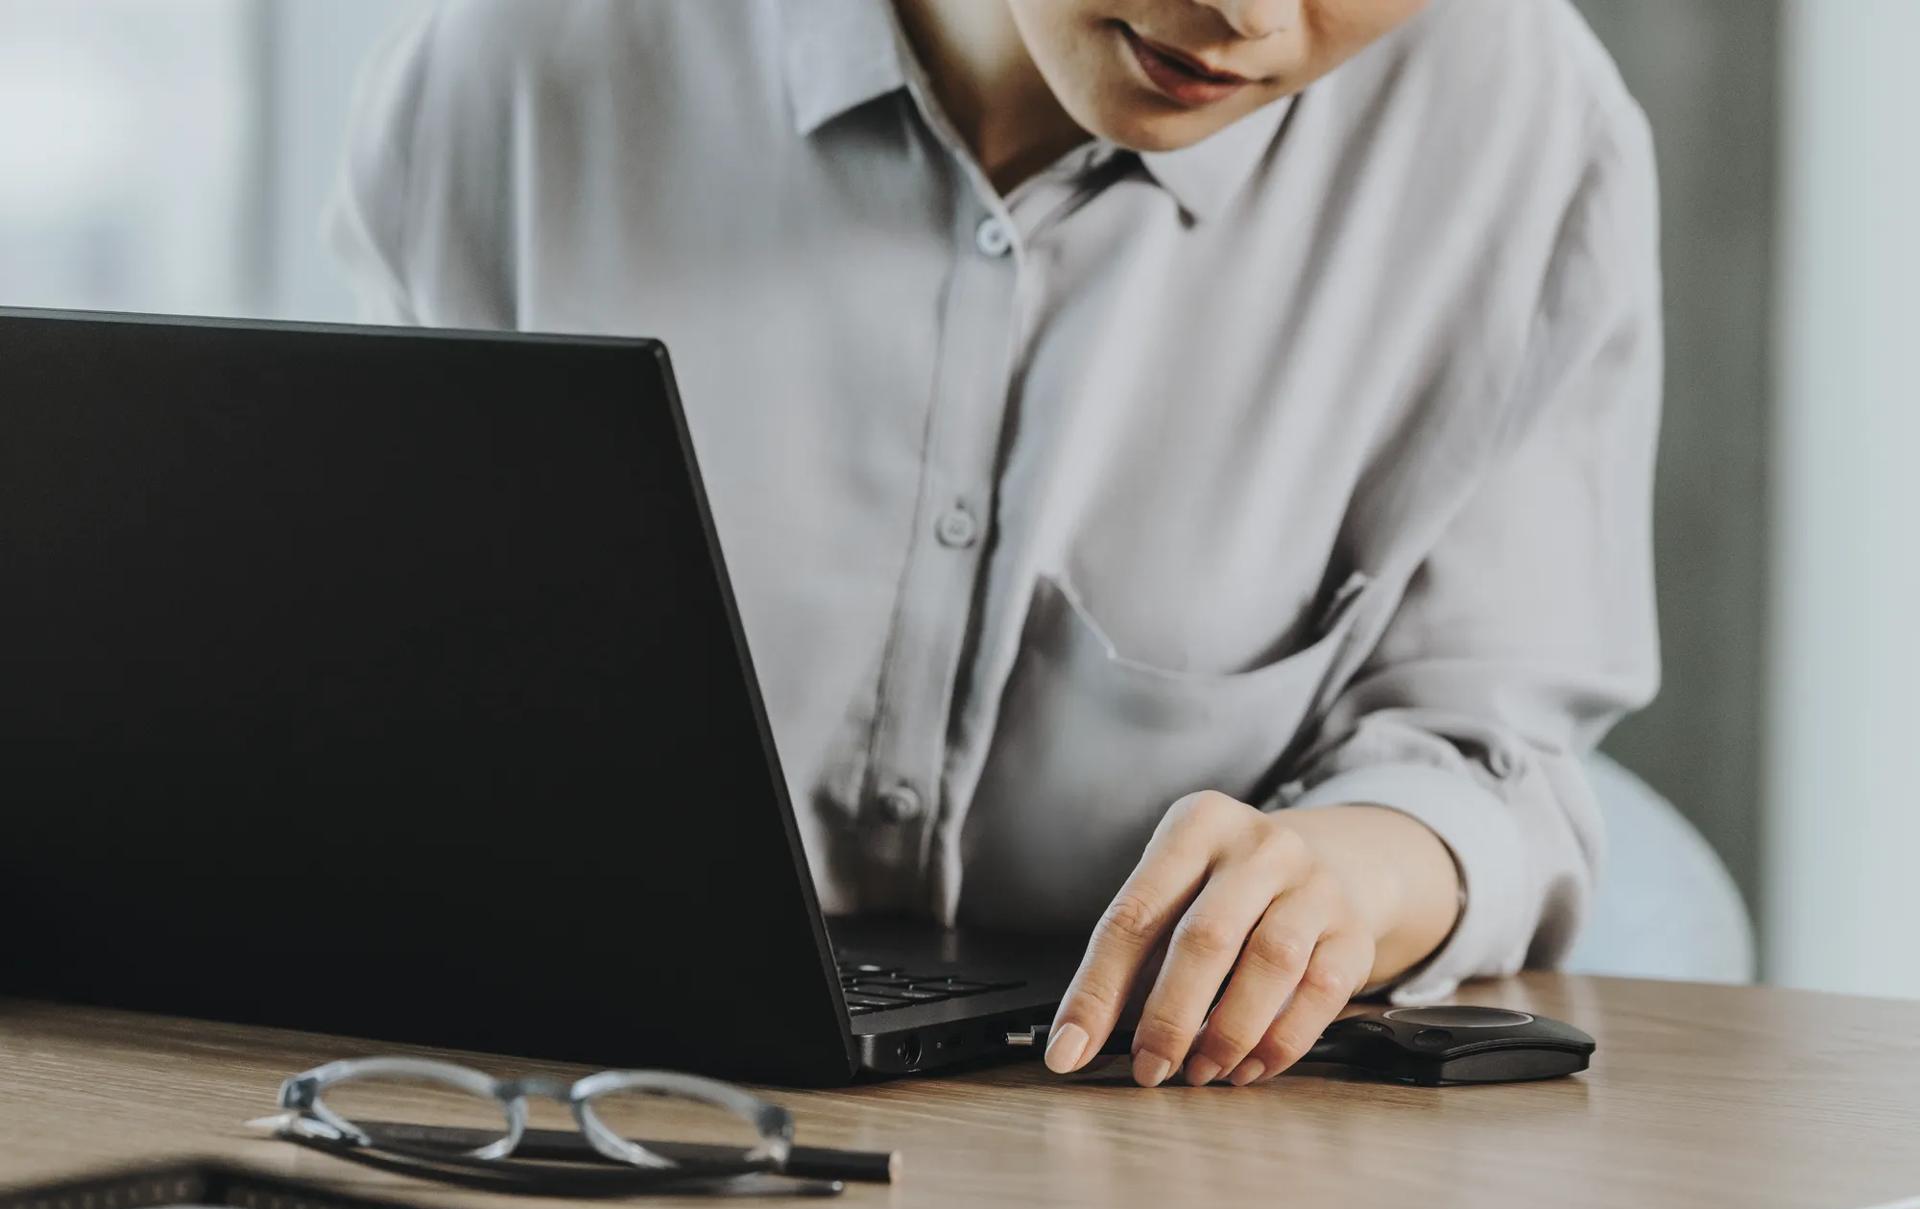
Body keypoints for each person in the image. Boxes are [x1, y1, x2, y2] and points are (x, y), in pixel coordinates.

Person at [331, 0, 1660, 1089]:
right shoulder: (525, 62)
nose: (1246, 17)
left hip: (1148, 1159)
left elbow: (1494, 754)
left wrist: (1352, 872)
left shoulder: (1524, 139)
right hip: (571, 1093)